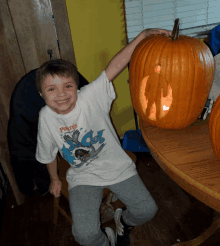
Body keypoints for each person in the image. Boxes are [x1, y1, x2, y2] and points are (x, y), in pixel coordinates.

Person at [35, 28, 172, 246]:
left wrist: (143, 37)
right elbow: (48, 153)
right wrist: (53, 178)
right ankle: (106, 241)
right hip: (84, 175)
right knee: (85, 235)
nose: (61, 94)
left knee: (148, 210)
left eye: (68, 86)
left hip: (117, 166)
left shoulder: (91, 96)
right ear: (42, 95)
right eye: (52, 89)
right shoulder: (45, 117)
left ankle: (123, 221)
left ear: (77, 88)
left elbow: (116, 65)